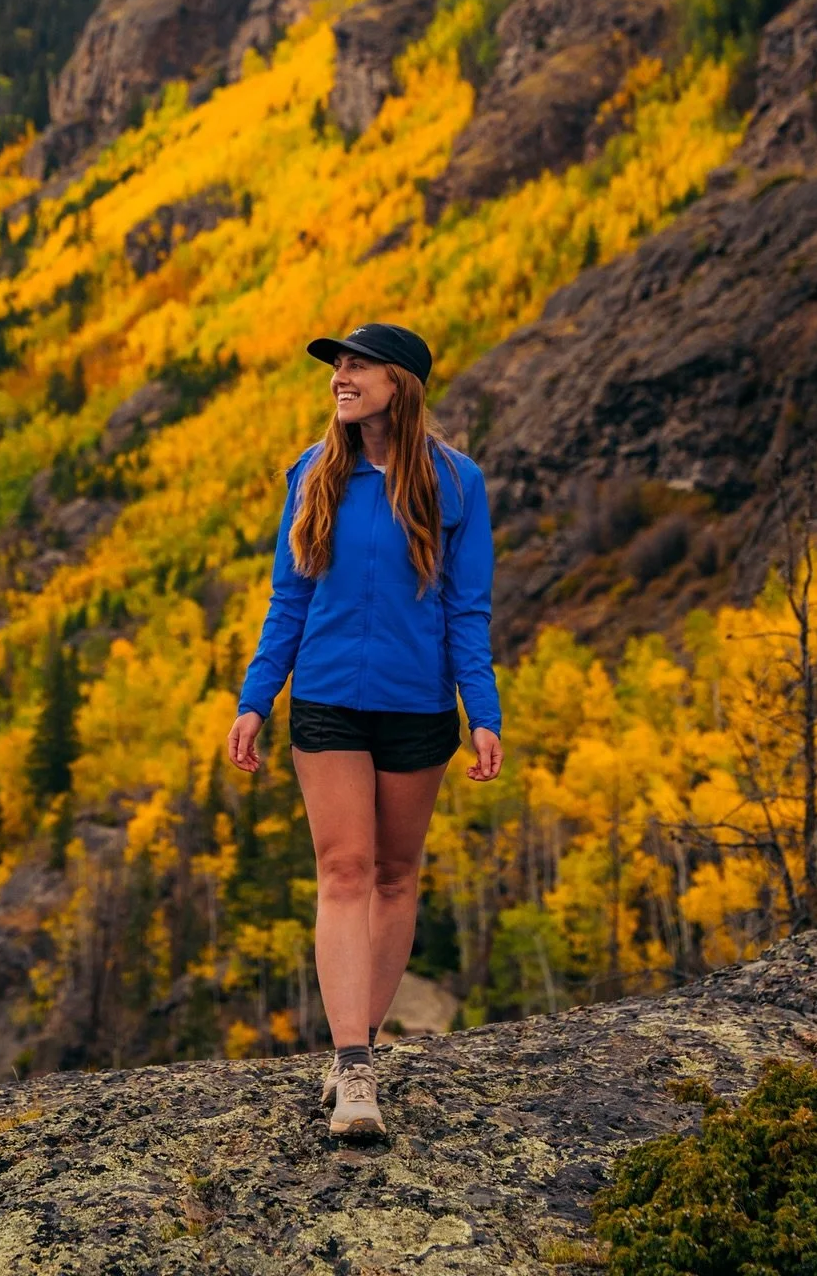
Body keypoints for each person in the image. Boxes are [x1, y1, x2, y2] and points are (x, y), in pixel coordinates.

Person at [226, 322, 502, 1139]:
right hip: (327, 699)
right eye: (337, 366)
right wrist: (255, 698)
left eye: (358, 365)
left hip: (419, 706)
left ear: (402, 384)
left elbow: (467, 609)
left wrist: (481, 711)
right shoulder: (313, 475)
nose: (341, 376)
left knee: (393, 876)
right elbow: (289, 599)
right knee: (343, 870)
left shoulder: (457, 484)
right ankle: (354, 1073)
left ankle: (361, 1043)